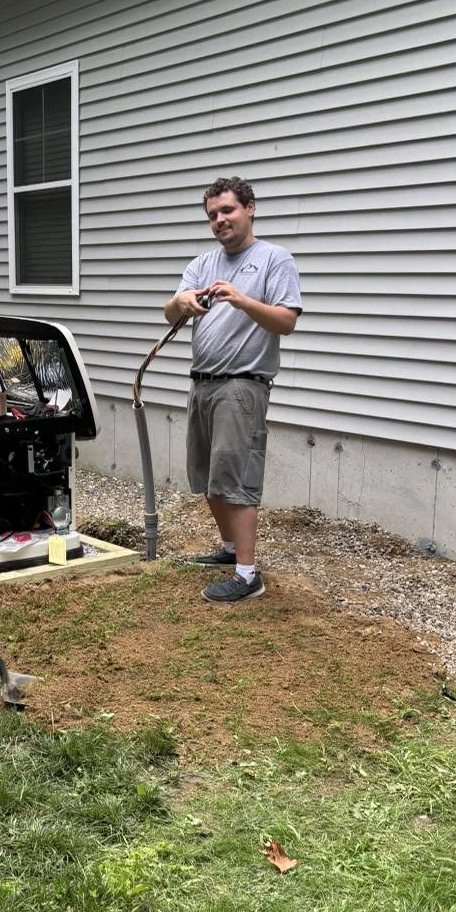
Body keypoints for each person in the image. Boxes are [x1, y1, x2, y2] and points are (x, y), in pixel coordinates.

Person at [164, 176, 303, 603]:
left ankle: (247, 575)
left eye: (227, 210)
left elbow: (287, 321)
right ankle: (229, 550)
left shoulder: (274, 259)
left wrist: (242, 300)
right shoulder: (202, 264)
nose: (220, 220)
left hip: (242, 386)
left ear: (250, 208)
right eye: (212, 215)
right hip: (202, 383)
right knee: (209, 476)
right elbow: (170, 314)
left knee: (237, 479)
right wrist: (180, 304)